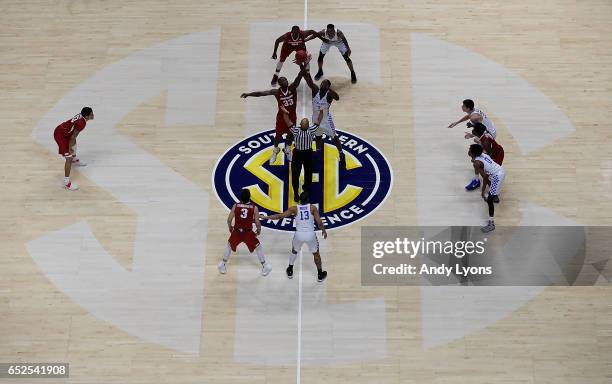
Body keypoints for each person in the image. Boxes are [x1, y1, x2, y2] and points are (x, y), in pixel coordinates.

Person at [241, 69, 305, 164]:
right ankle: (275, 150)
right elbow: (261, 94)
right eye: (283, 80)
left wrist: (303, 65)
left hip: (292, 116)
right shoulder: (276, 92)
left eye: (286, 80)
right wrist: (248, 94)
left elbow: (299, 77)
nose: (286, 81)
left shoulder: (292, 88)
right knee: (278, 136)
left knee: (291, 135)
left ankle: (287, 149)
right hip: (281, 117)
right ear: (280, 83)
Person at [262, 191, 328, 282]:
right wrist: (323, 230)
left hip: (299, 235)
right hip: (310, 235)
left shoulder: (294, 208)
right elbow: (319, 222)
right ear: (308, 199)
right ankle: (320, 274)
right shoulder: (313, 208)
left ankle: (290, 269)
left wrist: (265, 217)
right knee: (316, 254)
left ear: (299, 200)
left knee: (294, 250)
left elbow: (280, 216)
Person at [218, 188, 272, 276]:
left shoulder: (235, 206)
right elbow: (258, 223)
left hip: (237, 231)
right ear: (250, 198)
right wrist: (258, 230)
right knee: (258, 247)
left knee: (229, 245)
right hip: (248, 233)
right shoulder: (254, 208)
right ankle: (265, 265)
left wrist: (230, 227)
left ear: (241, 198)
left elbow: (229, 219)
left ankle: (222, 264)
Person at [303, 72, 346, 169]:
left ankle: (342, 155)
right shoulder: (315, 90)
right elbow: (309, 80)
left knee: (334, 137)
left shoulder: (329, 94)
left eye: (325, 83)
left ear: (328, 86)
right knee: (318, 137)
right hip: (315, 119)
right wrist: (303, 67)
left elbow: (337, 98)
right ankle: (318, 152)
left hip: (326, 120)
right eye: (322, 83)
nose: (323, 84)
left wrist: (329, 88)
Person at [53, 107, 94, 190]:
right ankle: (66, 182)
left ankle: (74, 160)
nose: (93, 115)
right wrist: (69, 148)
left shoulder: (81, 117)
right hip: (60, 135)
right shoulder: (82, 123)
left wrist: (71, 145)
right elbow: (73, 137)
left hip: (65, 132)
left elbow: (73, 137)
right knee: (68, 158)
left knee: (74, 142)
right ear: (86, 116)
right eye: (91, 114)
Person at [469, 144, 506, 233]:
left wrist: (482, 192)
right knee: (490, 181)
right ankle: (495, 197)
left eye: (470, 150)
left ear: (473, 153)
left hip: (497, 176)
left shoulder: (477, 163)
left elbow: (485, 178)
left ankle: (491, 223)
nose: (468, 151)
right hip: (499, 170)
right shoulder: (483, 155)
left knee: (489, 200)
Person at [284, 113, 319, 201]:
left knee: (296, 174)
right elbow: (318, 121)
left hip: (298, 154)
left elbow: (287, 121)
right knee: (308, 173)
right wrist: (322, 111)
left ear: (300, 125)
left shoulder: (296, 131)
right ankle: (306, 190)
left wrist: (285, 113)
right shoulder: (312, 130)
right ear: (308, 125)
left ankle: (296, 194)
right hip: (308, 153)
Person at [464, 122, 504, 197]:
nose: (472, 130)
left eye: (474, 129)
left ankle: (494, 194)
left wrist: (479, 159)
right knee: (476, 163)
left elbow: (489, 154)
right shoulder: (483, 132)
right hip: (493, 150)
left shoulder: (485, 142)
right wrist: (472, 125)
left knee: (488, 172)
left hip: (497, 154)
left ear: (477, 132)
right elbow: (482, 127)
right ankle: (476, 180)